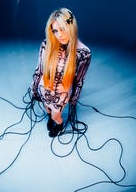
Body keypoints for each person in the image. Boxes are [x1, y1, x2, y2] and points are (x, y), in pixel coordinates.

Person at [31, 8, 91, 137]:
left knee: (56, 113)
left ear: (71, 27)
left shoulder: (84, 53)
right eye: (55, 31)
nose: (59, 35)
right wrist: (34, 88)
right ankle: (50, 118)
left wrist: (74, 99)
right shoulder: (47, 45)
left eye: (63, 29)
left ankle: (59, 125)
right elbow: (39, 69)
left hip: (62, 92)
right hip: (45, 86)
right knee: (47, 108)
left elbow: (80, 80)